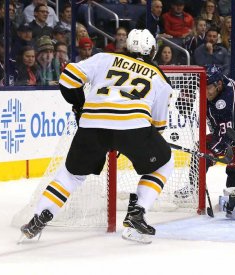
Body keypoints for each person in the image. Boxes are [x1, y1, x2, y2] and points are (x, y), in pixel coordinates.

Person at [19, 29, 174, 244]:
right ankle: (137, 213)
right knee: (164, 163)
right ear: (152, 51)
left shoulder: (104, 58)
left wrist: (80, 105)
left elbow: (68, 78)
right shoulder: (159, 78)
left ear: (128, 47)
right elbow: (158, 127)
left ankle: (39, 217)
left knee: (71, 175)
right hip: (134, 127)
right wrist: (129, 139)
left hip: (92, 125)